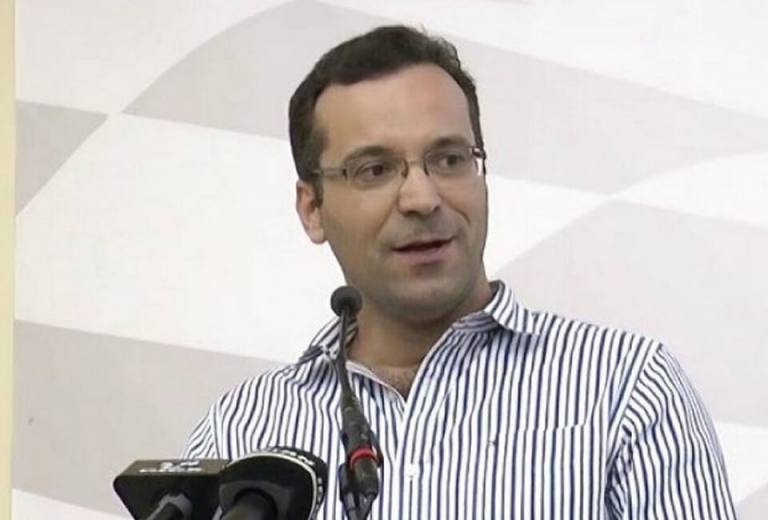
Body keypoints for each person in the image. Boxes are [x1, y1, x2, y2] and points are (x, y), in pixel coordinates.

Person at [183, 26, 736, 519]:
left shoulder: (626, 389)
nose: (422, 198)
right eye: (375, 169)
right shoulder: (242, 431)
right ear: (312, 209)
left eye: (449, 159)